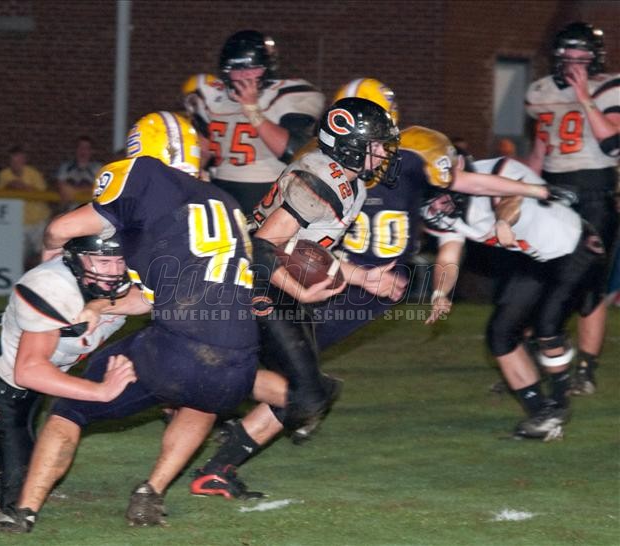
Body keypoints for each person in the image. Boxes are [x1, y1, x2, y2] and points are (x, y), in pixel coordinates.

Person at [0, 111, 273, 532]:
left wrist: (50, 251)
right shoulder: (225, 201)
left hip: (180, 345)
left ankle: (23, 512)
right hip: (240, 358)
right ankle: (150, 492)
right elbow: (150, 298)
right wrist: (104, 306)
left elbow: (64, 226)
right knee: (202, 401)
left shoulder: (144, 175)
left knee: (71, 409)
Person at [189, 97, 405, 498]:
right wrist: (298, 289)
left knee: (306, 392)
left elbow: (310, 249)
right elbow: (262, 246)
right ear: (350, 146)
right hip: (259, 283)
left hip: (278, 285)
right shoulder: (319, 182)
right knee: (305, 393)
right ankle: (201, 382)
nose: (383, 153)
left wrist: (361, 277)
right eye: (376, 144)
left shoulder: (350, 182)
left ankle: (215, 469)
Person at [413, 127, 605, 440]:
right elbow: (449, 251)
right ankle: (541, 412)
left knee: (547, 327)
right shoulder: (437, 204)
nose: (438, 206)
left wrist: (502, 221)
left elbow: (511, 199)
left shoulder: (498, 169)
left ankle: (559, 402)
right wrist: (440, 291)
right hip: (535, 259)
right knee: (500, 334)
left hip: (575, 247)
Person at [0, 235, 134, 527]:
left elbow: (148, 298)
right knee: (12, 501)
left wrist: (100, 305)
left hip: (31, 389)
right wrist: (101, 391)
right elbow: (29, 371)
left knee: (29, 479)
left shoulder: (123, 278)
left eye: (120, 260)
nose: (114, 271)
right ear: (76, 258)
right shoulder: (52, 286)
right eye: (103, 261)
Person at [526, 21, 619, 395]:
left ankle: (586, 366)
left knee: (589, 284)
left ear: (595, 57)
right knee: (545, 276)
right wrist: (524, 190)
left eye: (583, 52)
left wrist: (584, 97)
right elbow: (540, 149)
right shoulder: (540, 91)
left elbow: (613, 144)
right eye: (569, 51)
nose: (575, 58)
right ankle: (541, 355)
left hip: (594, 193)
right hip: (553, 193)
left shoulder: (609, 87)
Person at [190, 30, 325, 212]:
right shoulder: (211, 96)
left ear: (267, 68)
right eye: (237, 70)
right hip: (221, 189)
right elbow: (203, 149)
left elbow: (294, 151)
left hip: (270, 189)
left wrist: (252, 110)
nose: (244, 76)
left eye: (253, 69)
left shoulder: (287, 95)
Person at [0, 146, 52, 269]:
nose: (16, 164)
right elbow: (0, 196)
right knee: (17, 255)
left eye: (19, 160)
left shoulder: (34, 174)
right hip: (17, 223)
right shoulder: (3, 175)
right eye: (13, 161)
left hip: (38, 220)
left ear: (24, 160)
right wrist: (10, 186)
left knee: (44, 253)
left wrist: (22, 186)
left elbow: (43, 194)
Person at [56, 136, 103, 210]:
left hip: (90, 211)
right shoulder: (65, 168)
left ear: (91, 151)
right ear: (75, 150)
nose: (83, 151)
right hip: (69, 210)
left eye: (86, 148)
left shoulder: (98, 168)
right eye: (80, 147)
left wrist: (75, 191)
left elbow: (101, 188)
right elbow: (59, 184)